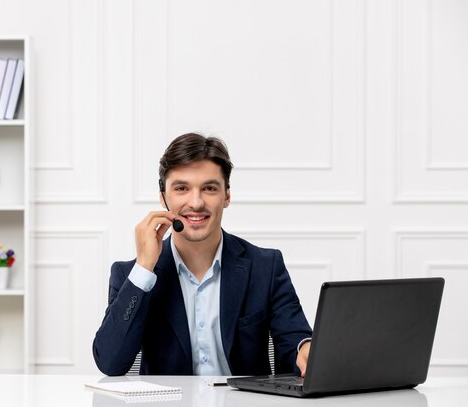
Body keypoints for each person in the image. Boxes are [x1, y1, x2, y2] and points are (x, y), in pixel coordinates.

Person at [93, 132, 312, 376]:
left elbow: (295, 341)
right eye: (181, 188)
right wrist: (145, 266)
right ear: (163, 197)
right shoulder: (131, 275)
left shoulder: (265, 266)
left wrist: (305, 349)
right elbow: (110, 363)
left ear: (226, 196)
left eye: (209, 188)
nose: (196, 203)